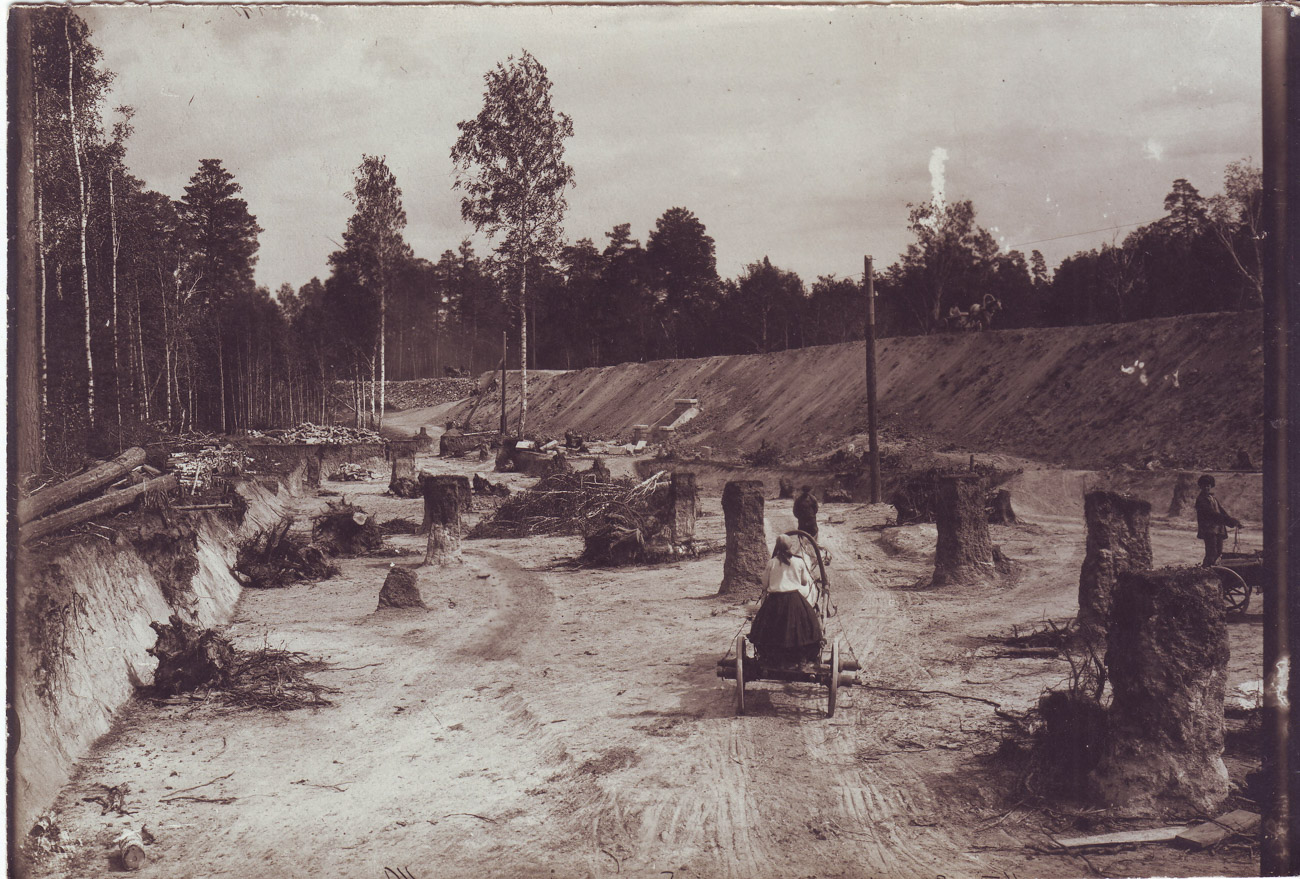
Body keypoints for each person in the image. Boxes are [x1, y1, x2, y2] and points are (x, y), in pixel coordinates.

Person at [748, 535, 823, 664]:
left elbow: (764, 585)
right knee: (808, 625)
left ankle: (771, 657)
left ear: (777, 547)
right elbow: (804, 582)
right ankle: (801, 657)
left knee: (768, 630)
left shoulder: (771, 563)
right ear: (791, 547)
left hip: (774, 601)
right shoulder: (798, 562)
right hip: (794, 600)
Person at [1195, 474, 1240, 567]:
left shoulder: (1213, 498)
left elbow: (1221, 511)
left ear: (1211, 486)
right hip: (1209, 530)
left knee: (1219, 553)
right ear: (1200, 486)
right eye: (1204, 485)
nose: (1206, 487)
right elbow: (1211, 514)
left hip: (1219, 529)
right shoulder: (1200, 500)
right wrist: (1230, 521)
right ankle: (1206, 571)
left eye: (1208, 485)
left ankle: (1214, 570)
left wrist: (1233, 522)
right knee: (1211, 553)